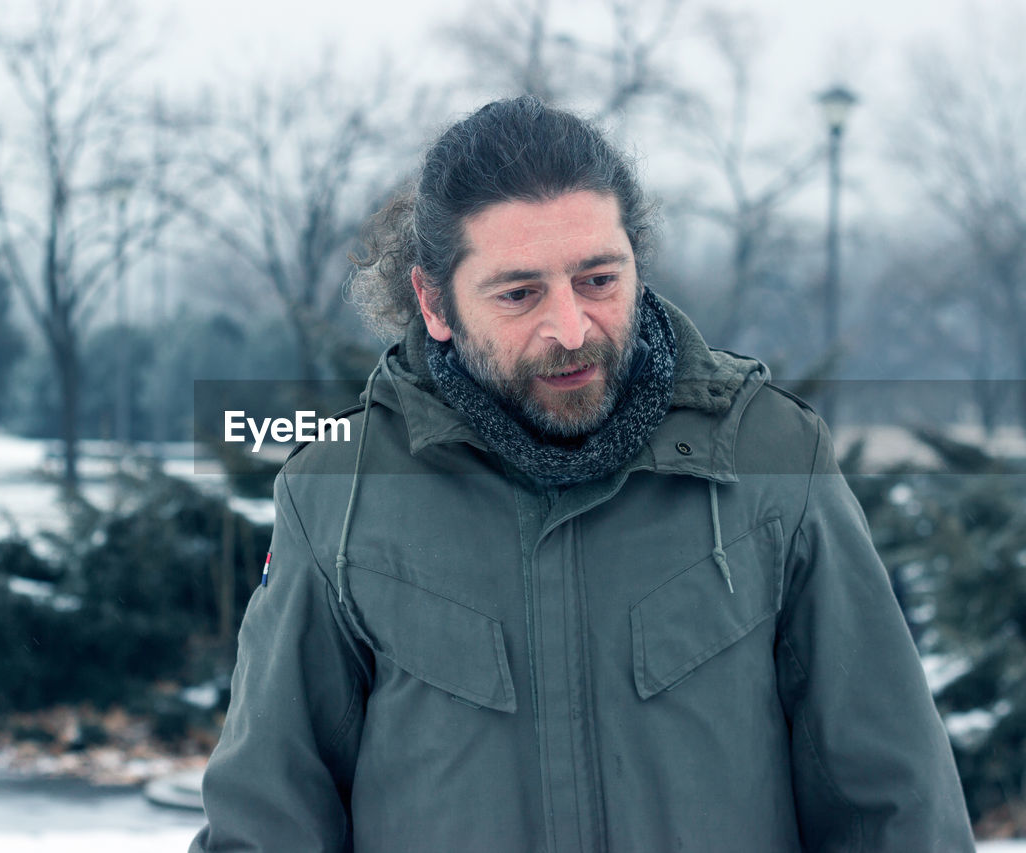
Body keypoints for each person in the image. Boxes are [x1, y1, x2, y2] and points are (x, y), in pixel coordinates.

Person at [189, 97, 974, 852]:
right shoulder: (338, 495)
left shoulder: (774, 456)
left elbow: (897, 806)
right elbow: (268, 822)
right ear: (434, 302)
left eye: (599, 280)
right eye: (521, 292)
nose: (571, 328)